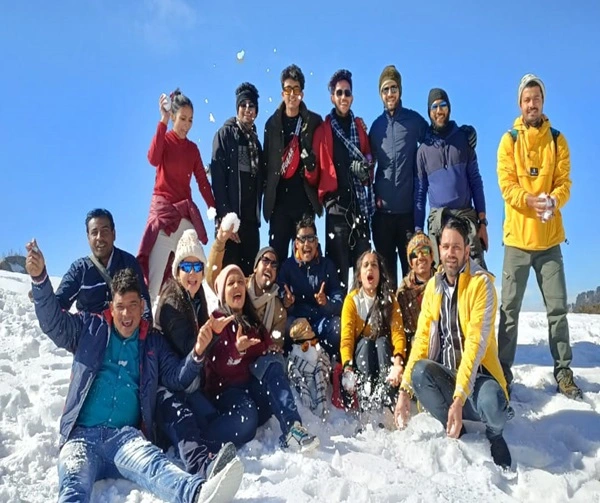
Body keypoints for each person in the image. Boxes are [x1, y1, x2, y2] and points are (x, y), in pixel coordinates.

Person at [25, 241, 243, 503]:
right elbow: (53, 323)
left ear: (142, 306)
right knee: (73, 485)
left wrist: (197, 351)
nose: (126, 314)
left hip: (124, 437)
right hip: (81, 437)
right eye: (120, 306)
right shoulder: (89, 329)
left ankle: (198, 493)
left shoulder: (152, 342)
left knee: (155, 465)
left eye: (132, 305)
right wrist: (40, 280)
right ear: (111, 307)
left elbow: (176, 377)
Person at [394, 218, 512, 469]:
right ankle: (454, 427)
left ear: (467, 250)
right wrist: (404, 390)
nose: (450, 253)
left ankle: (494, 434)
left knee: (494, 405)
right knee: (418, 372)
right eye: (445, 246)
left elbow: (475, 346)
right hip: (448, 375)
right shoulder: (434, 287)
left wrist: (458, 399)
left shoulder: (482, 284)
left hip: (478, 379)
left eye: (456, 247)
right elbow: (422, 339)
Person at [496, 73, 582, 399]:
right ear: (520, 104)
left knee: (558, 311)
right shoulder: (509, 140)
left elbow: (565, 182)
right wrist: (529, 200)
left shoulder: (558, 140)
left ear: (543, 102)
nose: (532, 104)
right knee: (509, 313)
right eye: (527, 99)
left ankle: (564, 373)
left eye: (537, 98)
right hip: (517, 240)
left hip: (549, 241)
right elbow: (506, 185)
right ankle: (503, 375)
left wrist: (555, 200)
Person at [205, 264, 319, 452]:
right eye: (230, 283)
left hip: (252, 392)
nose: (237, 286)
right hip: (228, 394)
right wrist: (236, 351)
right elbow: (219, 366)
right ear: (222, 294)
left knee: (272, 364)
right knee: (246, 419)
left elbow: (265, 346)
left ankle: (293, 429)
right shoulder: (217, 321)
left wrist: (271, 349)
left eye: (240, 282)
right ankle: (203, 440)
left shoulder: (252, 320)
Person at [154, 229, 244, 470]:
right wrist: (212, 334)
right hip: (170, 385)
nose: (192, 274)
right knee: (192, 422)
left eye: (197, 268)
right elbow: (191, 348)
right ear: (177, 271)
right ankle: (198, 454)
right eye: (187, 267)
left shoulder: (196, 296)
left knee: (214, 420)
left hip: (189, 381)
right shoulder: (171, 304)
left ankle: (205, 445)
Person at [138, 89, 216, 308]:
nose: (186, 124)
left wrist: (214, 210)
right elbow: (153, 159)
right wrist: (161, 122)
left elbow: (202, 181)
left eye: (190, 120)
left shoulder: (192, 149)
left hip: (184, 216)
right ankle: (147, 328)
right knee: (154, 284)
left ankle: (197, 317)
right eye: (182, 118)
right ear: (173, 117)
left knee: (195, 266)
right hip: (163, 216)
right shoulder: (165, 138)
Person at [309, 69, 374, 293]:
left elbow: (369, 158)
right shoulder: (323, 130)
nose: (343, 97)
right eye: (339, 93)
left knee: (364, 267)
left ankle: (364, 323)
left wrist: (365, 170)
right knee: (338, 271)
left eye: (347, 93)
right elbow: (314, 173)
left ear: (352, 97)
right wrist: (309, 167)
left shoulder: (359, 128)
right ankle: (340, 322)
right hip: (336, 207)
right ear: (332, 97)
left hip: (359, 206)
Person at [368, 65, 428, 289]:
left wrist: (461, 134)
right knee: (387, 280)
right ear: (380, 95)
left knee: (413, 276)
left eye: (393, 88)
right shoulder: (376, 128)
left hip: (407, 214)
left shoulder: (414, 121)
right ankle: (389, 324)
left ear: (400, 91)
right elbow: (367, 162)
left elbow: (436, 137)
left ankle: (414, 324)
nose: (390, 94)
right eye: (385, 90)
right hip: (382, 215)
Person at [414, 88, 488, 268]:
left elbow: (476, 181)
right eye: (434, 107)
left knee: (476, 272)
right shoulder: (423, 150)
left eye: (443, 105)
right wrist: (418, 230)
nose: (439, 110)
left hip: (466, 217)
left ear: (449, 108)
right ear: (429, 112)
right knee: (442, 275)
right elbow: (420, 192)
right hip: (439, 221)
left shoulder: (464, 139)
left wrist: (483, 222)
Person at [262, 64, 323, 262]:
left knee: (306, 258)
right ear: (282, 93)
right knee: (276, 258)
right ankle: (278, 294)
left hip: (304, 201)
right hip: (279, 203)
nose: (292, 94)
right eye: (288, 89)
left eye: (296, 89)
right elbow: (265, 164)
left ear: (302, 94)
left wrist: (311, 163)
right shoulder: (272, 125)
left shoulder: (313, 121)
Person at [56, 208, 151, 320]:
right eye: (94, 233)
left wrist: (144, 330)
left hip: (124, 333)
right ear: (88, 238)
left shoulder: (129, 263)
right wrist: (42, 288)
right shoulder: (79, 270)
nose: (99, 238)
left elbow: (143, 302)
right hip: (90, 335)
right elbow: (57, 306)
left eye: (105, 231)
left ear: (114, 234)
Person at [340, 251, 406, 410]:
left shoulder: (390, 300)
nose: (370, 269)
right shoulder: (352, 300)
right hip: (362, 357)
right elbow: (347, 337)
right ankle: (366, 400)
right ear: (359, 275)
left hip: (384, 357)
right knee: (366, 343)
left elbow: (398, 333)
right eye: (366, 265)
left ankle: (387, 398)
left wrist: (398, 363)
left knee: (383, 342)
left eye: (374, 265)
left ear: (380, 273)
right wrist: (347, 367)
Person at [210, 83, 263, 276]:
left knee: (248, 279)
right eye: (243, 105)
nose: (247, 110)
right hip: (231, 222)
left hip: (251, 223)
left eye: (252, 106)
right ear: (237, 108)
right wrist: (226, 217)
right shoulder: (225, 135)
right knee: (228, 278)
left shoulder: (256, 143)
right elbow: (218, 179)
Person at [206, 219, 287, 344]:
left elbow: (277, 343)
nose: (269, 267)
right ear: (255, 267)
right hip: (229, 353)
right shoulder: (240, 285)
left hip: (258, 356)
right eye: (265, 260)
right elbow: (213, 278)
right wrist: (220, 242)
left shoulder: (277, 310)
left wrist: (272, 348)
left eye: (274, 264)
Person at [277, 215, 343, 359]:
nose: (306, 243)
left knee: (337, 326)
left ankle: (330, 362)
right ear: (296, 244)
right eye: (302, 239)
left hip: (320, 322)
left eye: (310, 238)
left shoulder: (327, 265)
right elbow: (280, 296)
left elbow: (338, 299)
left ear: (316, 241)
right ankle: (289, 361)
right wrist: (287, 303)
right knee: (285, 325)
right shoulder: (287, 267)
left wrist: (326, 303)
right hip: (297, 323)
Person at [396, 233, 435, 357]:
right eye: (415, 254)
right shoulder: (403, 292)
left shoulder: (444, 282)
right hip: (414, 346)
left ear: (432, 256)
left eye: (424, 250)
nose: (420, 257)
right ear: (410, 262)